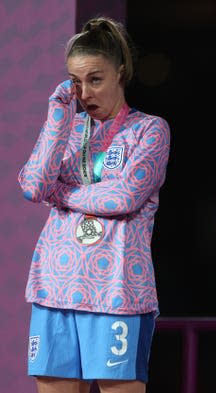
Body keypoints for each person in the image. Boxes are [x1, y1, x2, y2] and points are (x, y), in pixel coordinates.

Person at [18, 16, 170, 393]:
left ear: (120, 73)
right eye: (75, 81)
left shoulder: (149, 129)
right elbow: (33, 185)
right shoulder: (66, 130)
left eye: (95, 79)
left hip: (115, 292)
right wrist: (56, 120)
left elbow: (123, 198)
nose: (84, 92)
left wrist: (62, 194)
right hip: (55, 287)